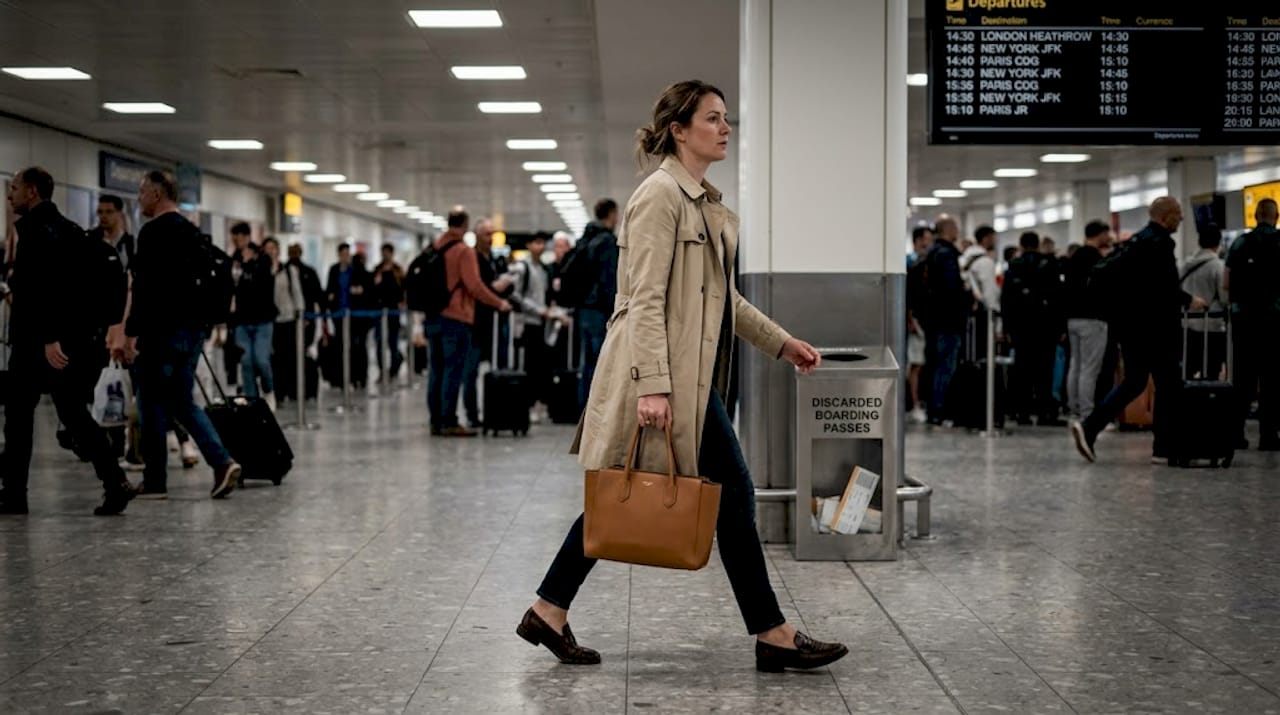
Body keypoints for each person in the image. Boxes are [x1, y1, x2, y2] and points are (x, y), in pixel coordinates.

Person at [520, 80, 847, 673]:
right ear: (679, 129)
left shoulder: (701, 203)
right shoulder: (659, 198)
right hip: (664, 379)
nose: (725, 129)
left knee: (641, 490)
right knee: (710, 493)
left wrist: (783, 343)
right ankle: (772, 633)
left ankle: (549, 609)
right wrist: (651, 385)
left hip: (690, 383)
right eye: (713, 119)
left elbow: (727, 302)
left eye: (727, 119)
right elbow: (643, 299)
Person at [0, 167, 136, 516]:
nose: (9, 195)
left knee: (20, 417)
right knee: (71, 413)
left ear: (31, 192)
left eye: (13, 188)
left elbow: (43, 292)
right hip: (68, 340)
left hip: (41, 343)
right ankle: (114, 480)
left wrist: (48, 338)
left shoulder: (39, 232)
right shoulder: (67, 229)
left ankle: (15, 495)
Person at [121, 170, 242, 499]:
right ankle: (221, 461)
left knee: (149, 402)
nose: (139, 198)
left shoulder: (152, 233)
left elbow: (144, 287)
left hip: (161, 332)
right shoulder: (192, 231)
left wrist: (130, 333)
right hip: (193, 331)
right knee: (180, 400)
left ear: (157, 194)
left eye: (142, 191)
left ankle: (156, 480)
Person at [1072, 197, 1207, 464]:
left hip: (1131, 327)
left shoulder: (1135, 242)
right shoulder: (1159, 243)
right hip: (1156, 328)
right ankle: (1165, 448)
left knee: (1135, 381)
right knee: (1169, 385)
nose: (1181, 219)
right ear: (1164, 215)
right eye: (1177, 214)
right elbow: (1165, 287)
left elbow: (1112, 276)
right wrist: (1189, 301)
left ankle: (1089, 428)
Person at [426, 208, 512, 436]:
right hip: (456, 317)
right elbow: (474, 286)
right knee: (453, 371)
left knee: (436, 369)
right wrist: (499, 303)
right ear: (465, 225)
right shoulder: (463, 251)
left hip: (433, 316)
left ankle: (435, 420)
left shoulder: (435, 246)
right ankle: (449, 421)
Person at [1225, 198, 1280, 450]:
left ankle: (1235, 434)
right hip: (1274, 320)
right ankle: (1269, 436)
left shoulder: (1240, 243)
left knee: (1243, 379)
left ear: (1255, 216)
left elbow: (1227, 282)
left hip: (1244, 321)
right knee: (1272, 380)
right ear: (1276, 216)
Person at [1002, 231, 1065, 426]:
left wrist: (1007, 328)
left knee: (1022, 370)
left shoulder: (1014, 266)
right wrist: (1060, 326)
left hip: (1021, 327)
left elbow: (1006, 300)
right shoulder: (1050, 264)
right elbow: (1058, 298)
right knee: (1045, 370)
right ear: (1037, 245)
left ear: (1021, 246)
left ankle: (1022, 412)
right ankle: (1046, 412)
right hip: (1046, 327)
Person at [461, 218, 513, 428]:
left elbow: (500, 287)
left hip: (494, 321)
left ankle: (495, 411)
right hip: (475, 322)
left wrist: (502, 288)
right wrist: (496, 291)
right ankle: (472, 414)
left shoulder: (495, 259)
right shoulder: (472, 258)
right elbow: (477, 288)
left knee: (497, 367)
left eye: (492, 234)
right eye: (486, 234)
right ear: (477, 235)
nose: (490, 238)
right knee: (471, 370)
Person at [921, 216, 968, 426]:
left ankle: (933, 408)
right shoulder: (947, 254)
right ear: (948, 230)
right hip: (948, 320)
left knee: (934, 364)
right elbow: (951, 289)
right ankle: (940, 410)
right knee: (945, 366)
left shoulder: (930, 253)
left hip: (932, 319)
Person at [1064, 220, 1113, 421]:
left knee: (1075, 364)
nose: (1108, 238)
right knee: (1090, 368)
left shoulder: (1075, 256)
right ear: (1100, 235)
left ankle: (1074, 408)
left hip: (1073, 317)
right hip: (1093, 318)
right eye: (1106, 234)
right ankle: (1088, 413)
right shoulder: (1096, 258)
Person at [574, 199, 620, 409]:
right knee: (602, 362)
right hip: (600, 310)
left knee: (588, 362)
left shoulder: (585, 239)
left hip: (583, 310)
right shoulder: (607, 242)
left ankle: (584, 406)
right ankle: (596, 409)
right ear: (611, 214)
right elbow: (609, 279)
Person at [229, 223, 277, 407]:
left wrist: (249, 265)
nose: (236, 242)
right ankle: (252, 401)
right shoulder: (234, 259)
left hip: (263, 319)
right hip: (242, 319)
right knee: (246, 361)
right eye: (234, 238)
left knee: (261, 359)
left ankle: (268, 389)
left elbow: (264, 283)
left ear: (247, 237)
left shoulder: (262, 258)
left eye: (239, 238)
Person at [509, 234, 555, 420]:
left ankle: (538, 402)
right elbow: (516, 295)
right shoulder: (523, 268)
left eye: (543, 242)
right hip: (528, 323)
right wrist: (537, 310)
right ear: (529, 245)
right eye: (537, 242)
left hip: (542, 324)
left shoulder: (544, 270)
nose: (541, 246)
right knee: (529, 365)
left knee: (540, 366)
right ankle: (526, 404)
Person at [1179, 223, 1227, 381]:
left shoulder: (1185, 265)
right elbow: (1225, 298)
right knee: (1211, 371)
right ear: (1218, 243)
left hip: (1186, 326)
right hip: (1211, 328)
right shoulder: (1217, 267)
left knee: (1187, 370)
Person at [325, 243, 373, 390]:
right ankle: (341, 378)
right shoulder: (334, 270)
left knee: (356, 347)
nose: (345, 257)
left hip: (355, 316)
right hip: (338, 315)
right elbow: (329, 290)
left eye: (347, 254)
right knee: (340, 346)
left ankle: (359, 376)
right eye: (343, 254)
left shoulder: (356, 270)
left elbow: (365, 288)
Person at [262, 238, 304, 404]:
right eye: (267, 248)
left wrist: (299, 312)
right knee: (273, 358)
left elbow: (296, 292)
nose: (271, 251)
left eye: (273, 247)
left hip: (287, 318)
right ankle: (277, 391)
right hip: (270, 319)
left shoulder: (289, 270)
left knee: (289, 356)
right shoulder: (262, 269)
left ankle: (290, 389)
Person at [905, 225, 933, 422]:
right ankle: (913, 404)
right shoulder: (910, 263)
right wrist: (909, 318)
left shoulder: (927, 262)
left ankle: (917, 402)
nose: (929, 243)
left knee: (920, 364)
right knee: (915, 364)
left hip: (923, 319)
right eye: (926, 239)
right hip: (915, 320)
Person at [372, 243, 405, 380]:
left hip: (393, 310)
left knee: (393, 342)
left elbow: (402, 288)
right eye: (383, 252)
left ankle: (394, 368)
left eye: (387, 252)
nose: (385, 255)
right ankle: (381, 370)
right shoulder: (377, 270)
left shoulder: (398, 270)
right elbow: (372, 288)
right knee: (380, 342)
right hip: (380, 310)